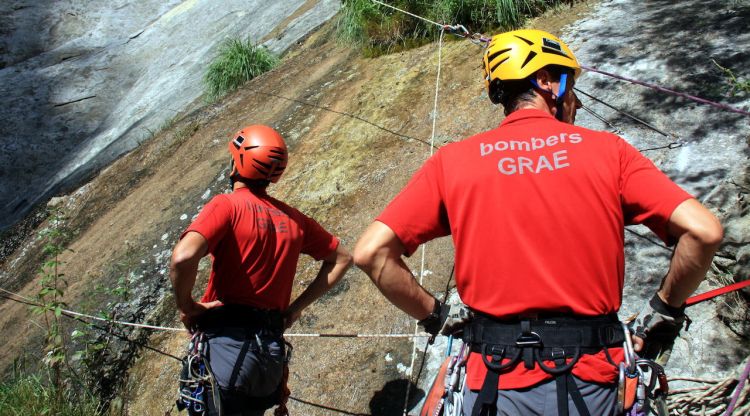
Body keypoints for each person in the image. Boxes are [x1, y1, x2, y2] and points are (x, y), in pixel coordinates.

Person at [353, 29, 722, 416]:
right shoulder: (609, 152)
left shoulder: (452, 161)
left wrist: (436, 316)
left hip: (490, 383)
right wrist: (665, 308)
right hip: (590, 379)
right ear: (546, 82)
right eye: (570, 85)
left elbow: (371, 252)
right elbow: (703, 231)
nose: (576, 101)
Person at [170, 124, 352, 416]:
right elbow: (342, 258)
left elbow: (183, 257)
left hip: (228, 353)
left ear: (238, 161)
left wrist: (187, 306)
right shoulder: (294, 220)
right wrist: (295, 310)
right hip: (269, 361)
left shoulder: (226, 206)